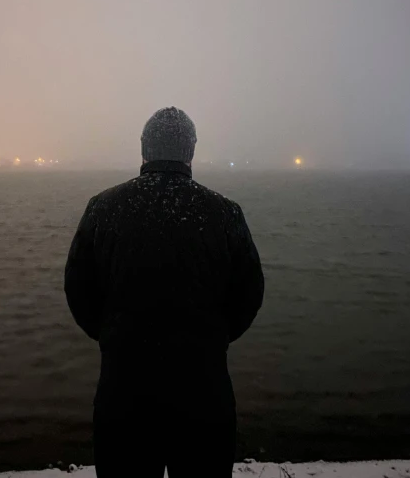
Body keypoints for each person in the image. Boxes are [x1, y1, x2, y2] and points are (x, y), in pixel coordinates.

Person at [64, 106, 265, 478]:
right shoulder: (224, 214)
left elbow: (79, 291)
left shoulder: (103, 209)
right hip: (204, 392)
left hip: (124, 392)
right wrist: (212, 337)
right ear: (190, 150)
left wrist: (113, 334)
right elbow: (248, 295)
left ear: (144, 149)